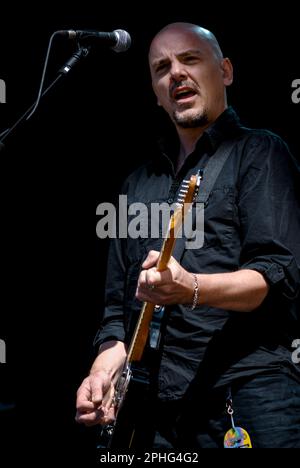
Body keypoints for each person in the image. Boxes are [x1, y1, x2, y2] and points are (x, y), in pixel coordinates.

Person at [76, 22, 300, 448]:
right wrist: (102, 371)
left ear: (226, 72)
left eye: (190, 59)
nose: (175, 73)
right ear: (155, 93)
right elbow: (114, 313)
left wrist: (189, 287)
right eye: (162, 68)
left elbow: (274, 277)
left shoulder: (260, 153)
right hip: (155, 410)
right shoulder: (137, 184)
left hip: (247, 393)